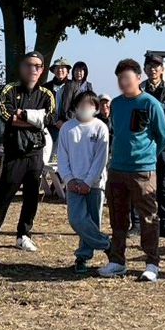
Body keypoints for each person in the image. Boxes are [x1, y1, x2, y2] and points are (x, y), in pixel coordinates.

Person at [0, 52, 56, 257]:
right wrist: (34, 119)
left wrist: (23, 115)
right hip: (14, 151)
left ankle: (24, 235)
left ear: (42, 69)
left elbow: (48, 119)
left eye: (38, 66)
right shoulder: (9, 90)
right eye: (30, 65)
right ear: (21, 67)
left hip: (36, 152)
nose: (34, 70)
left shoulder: (46, 94)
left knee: (32, 195)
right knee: (4, 194)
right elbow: (7, 116)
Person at [99, 59, 165, 282]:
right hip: (117, 168)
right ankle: (117, 260)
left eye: (127, 78)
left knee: (148, 218)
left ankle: (151, 263)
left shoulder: (151, 104)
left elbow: (163, 137)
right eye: (120, 79)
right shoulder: (117, 104)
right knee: (118, 218)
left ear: (139, 78)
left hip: (143, 171)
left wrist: (147, 157)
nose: (123, 82)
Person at [57, 91, 111, 274]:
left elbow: (101, 158)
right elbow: (62, 157)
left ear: (96, 108)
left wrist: (89, 181)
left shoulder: (100, 127)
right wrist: (69, 179)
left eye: (90, 105)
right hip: (73, 181)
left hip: (95, 182)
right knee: (76, 219)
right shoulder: (67, 128)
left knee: (93, 221)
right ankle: (108, 245)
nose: (86, 108)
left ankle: (83, 257)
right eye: (82, 104)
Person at [133, 53, 165, 239]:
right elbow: (136, 115)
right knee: (138, 183)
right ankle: (136, 223)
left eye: (157, 66)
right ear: (144, 69)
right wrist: (160, 108)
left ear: (162, 69)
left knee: (163, 184)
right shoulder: (138, 89)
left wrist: (150, 109)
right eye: (149, 66)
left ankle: (164, 223)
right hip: (142, 143)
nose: (153, 69)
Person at [45, 58, 74, 144]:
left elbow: (77, 106)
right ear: (53, 71)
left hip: (68, 126)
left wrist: (65, 121)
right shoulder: (46, 87)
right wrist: (53, 121)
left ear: (68, 71)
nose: (60, 70)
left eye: (63, 68)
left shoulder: (74, 86)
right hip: (49, 126)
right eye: (57, 68)